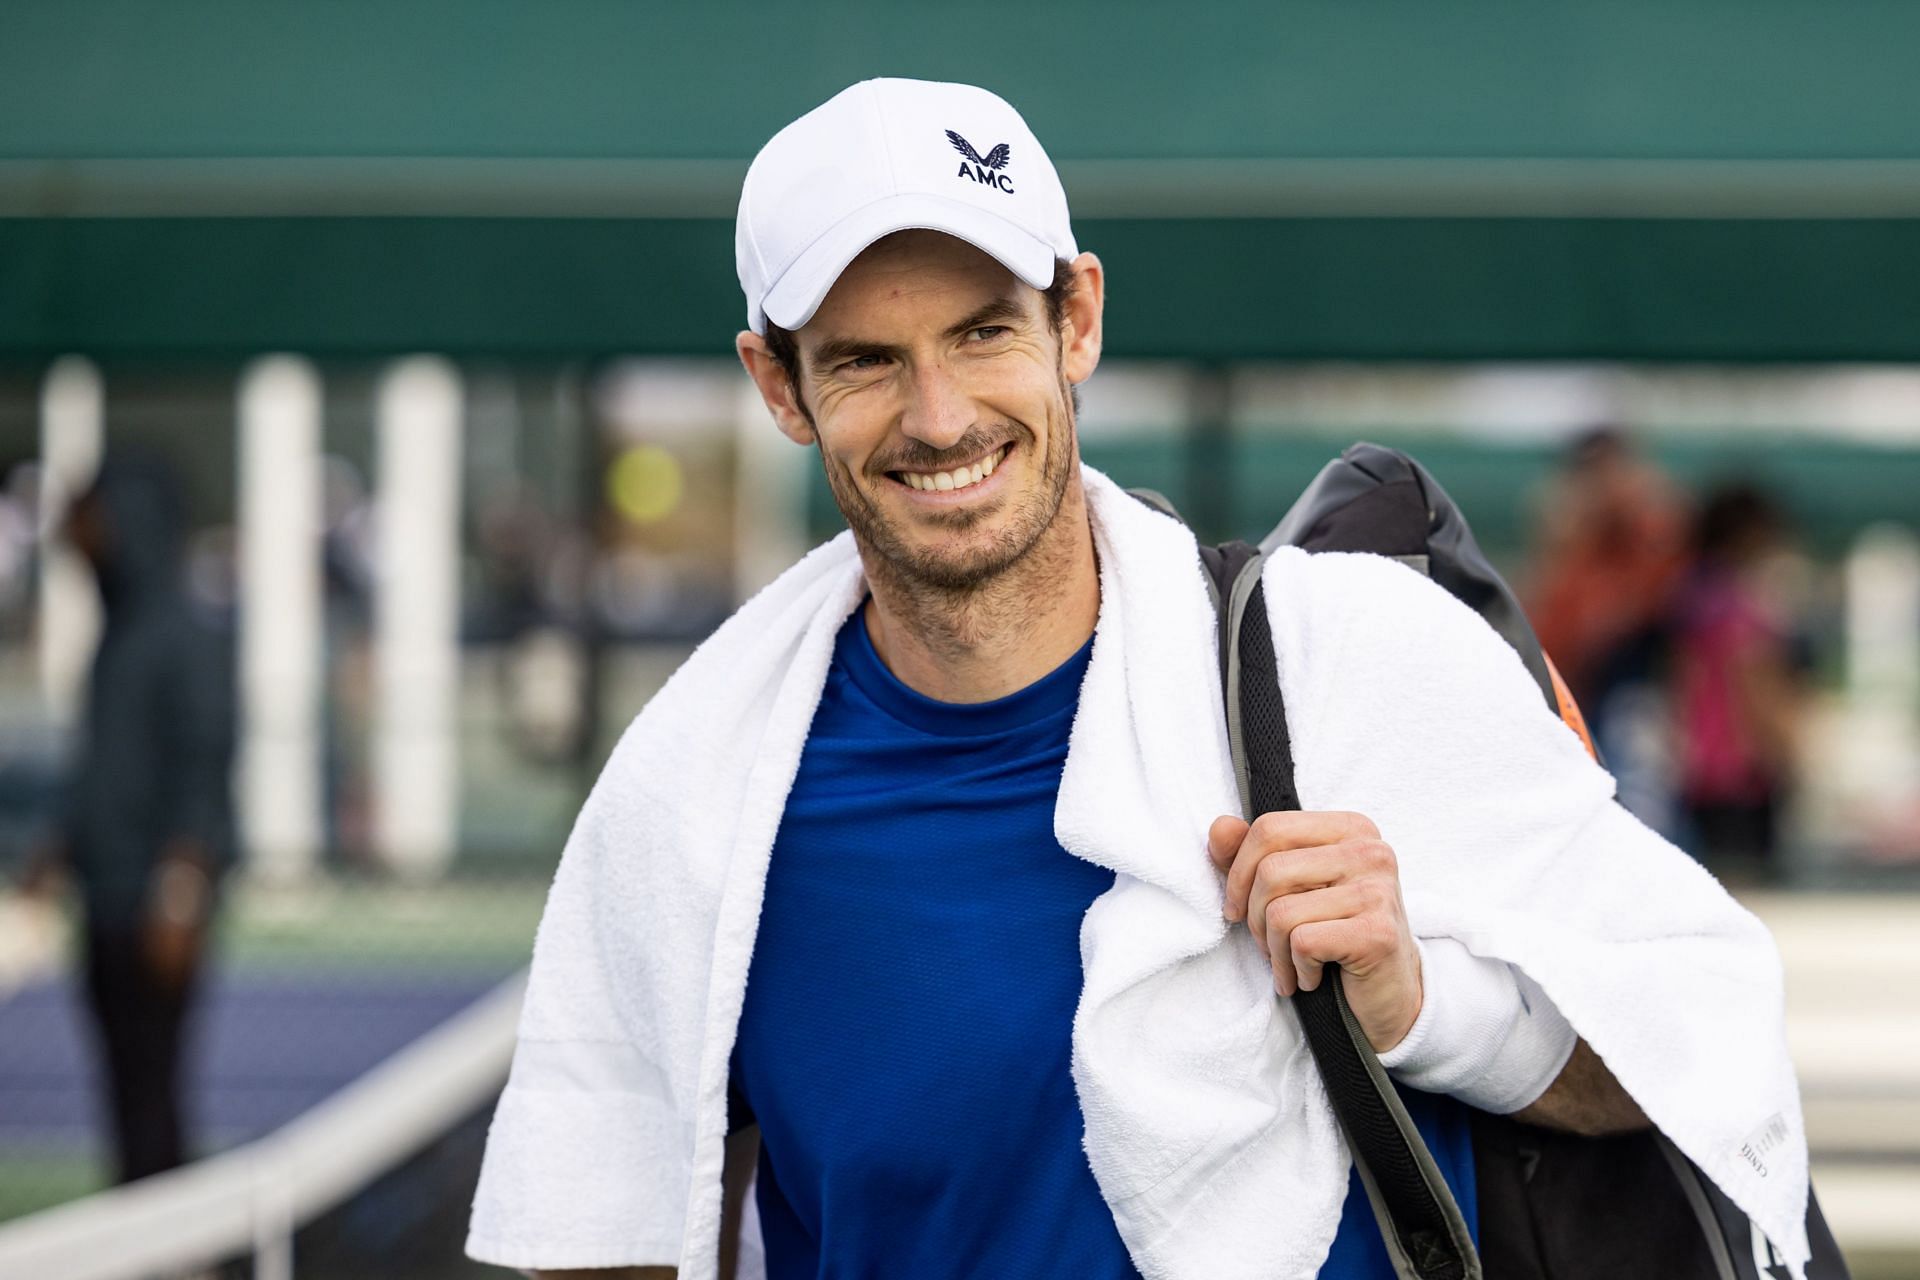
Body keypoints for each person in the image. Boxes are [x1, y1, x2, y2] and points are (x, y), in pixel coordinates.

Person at [467, 80, 1811, 1280]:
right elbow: (610, 1229)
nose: (940, 416)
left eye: (985, 332)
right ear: (779, 385)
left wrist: (1421, 1004)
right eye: (868, 360)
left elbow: (1689, 1046)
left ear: (1079, 320)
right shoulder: (699, 800)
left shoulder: (1348, 656)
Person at [22, 456, 236, 1184]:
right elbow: (109, 768)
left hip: (152, 906)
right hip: (108, 897)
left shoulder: (183, 633)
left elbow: (202, 764)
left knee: (153, 1084)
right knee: (123, 1083)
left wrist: (182, 887)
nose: (75, 538)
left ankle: (174, 1239)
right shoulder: (117, 636)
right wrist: (63, 843)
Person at [1671, 483, 1809, 883]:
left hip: (1700, 771)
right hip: (1743, 773)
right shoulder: (1741, 605)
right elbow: (1756, 690)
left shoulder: (1693, 598)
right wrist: (1789, 750)